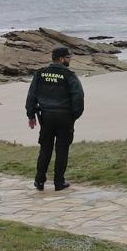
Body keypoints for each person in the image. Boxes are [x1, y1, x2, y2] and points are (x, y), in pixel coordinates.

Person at [25, 46, 84, 191]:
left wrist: (31, 115)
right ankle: (59, 182)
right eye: (68, 58)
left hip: (46, 116)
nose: (70, 60)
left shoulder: (40, 73)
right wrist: (74, 116)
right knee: (62, 149)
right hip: (64, 116)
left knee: (45, 148)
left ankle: (39, 181)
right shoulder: (69, 75)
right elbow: (78, 96)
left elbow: (31, 95)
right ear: (61, 59)